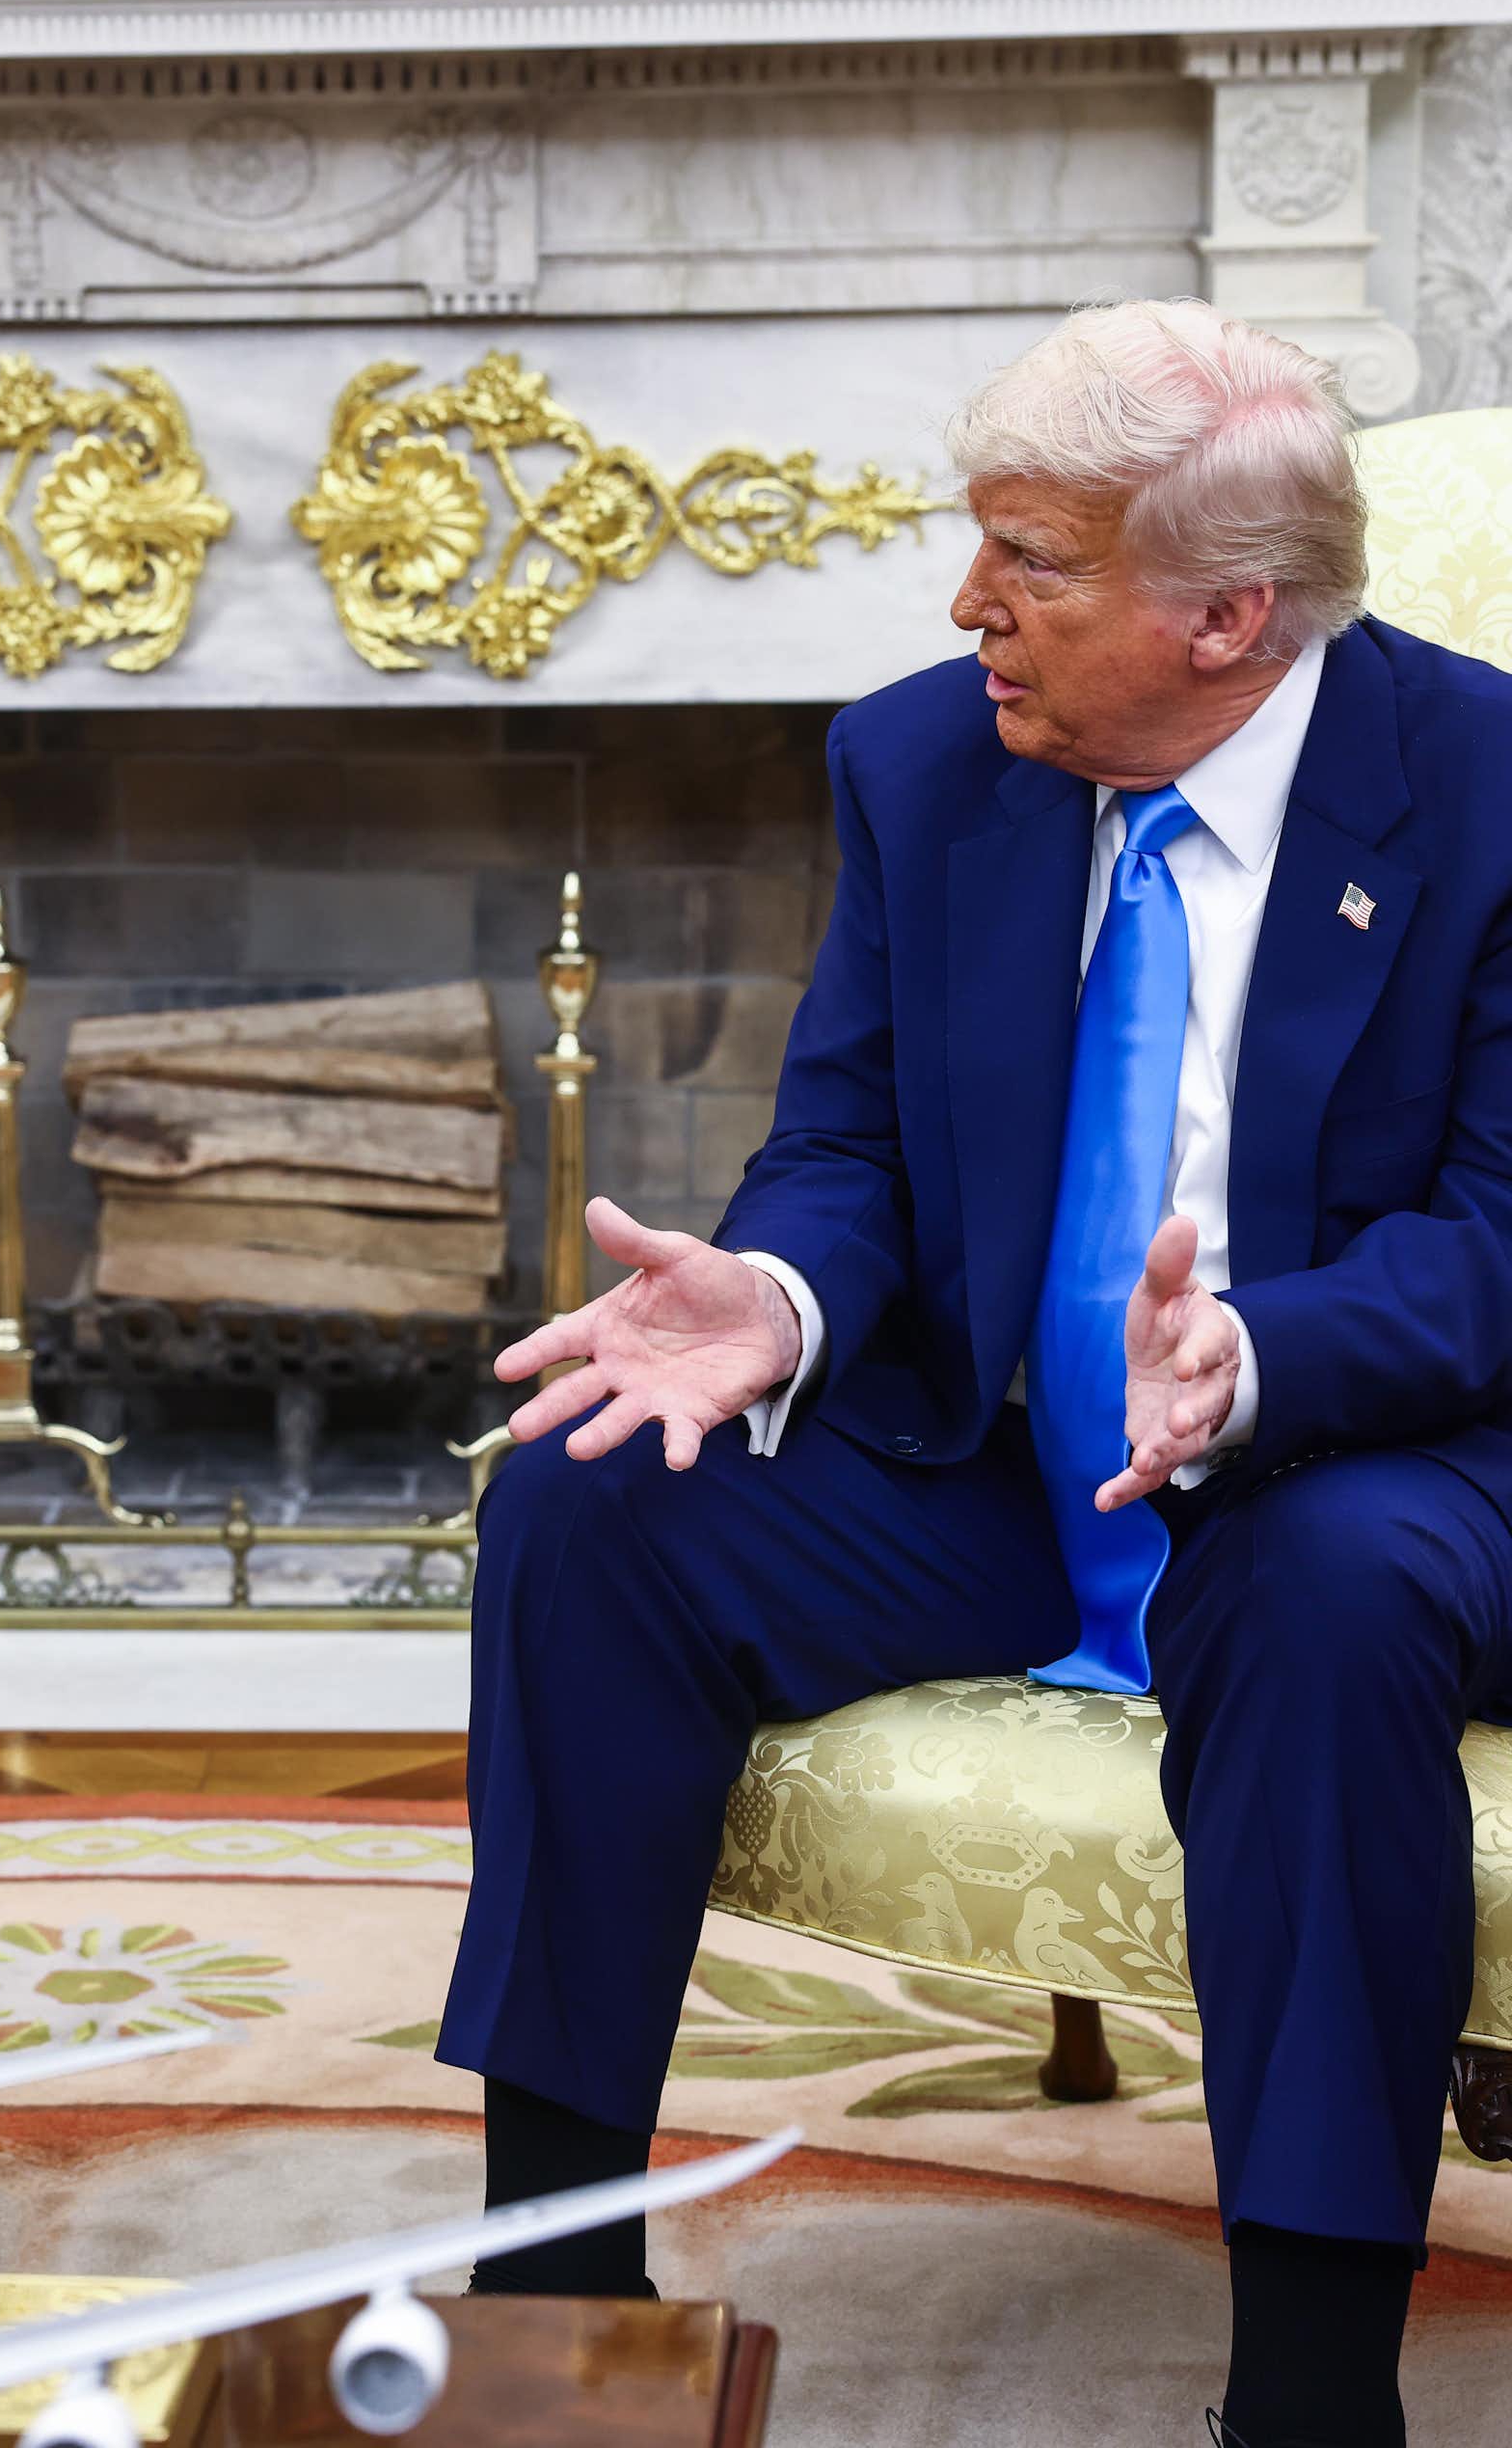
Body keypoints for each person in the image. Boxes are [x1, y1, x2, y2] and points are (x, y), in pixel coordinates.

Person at [440, 298, 1512, 2448]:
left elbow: (1498, 1237)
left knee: (1314, 1595)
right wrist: (772, 1295)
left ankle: (1306, 2395)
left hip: (1363, 1447)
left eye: (1026, 559)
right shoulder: (926, 761)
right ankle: (551, 2301)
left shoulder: (1485, 791)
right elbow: (844, 1136)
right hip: (993, 1450)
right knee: (587, 1486)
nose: (967, 605)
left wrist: (1256, 1349)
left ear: (1223, 613)